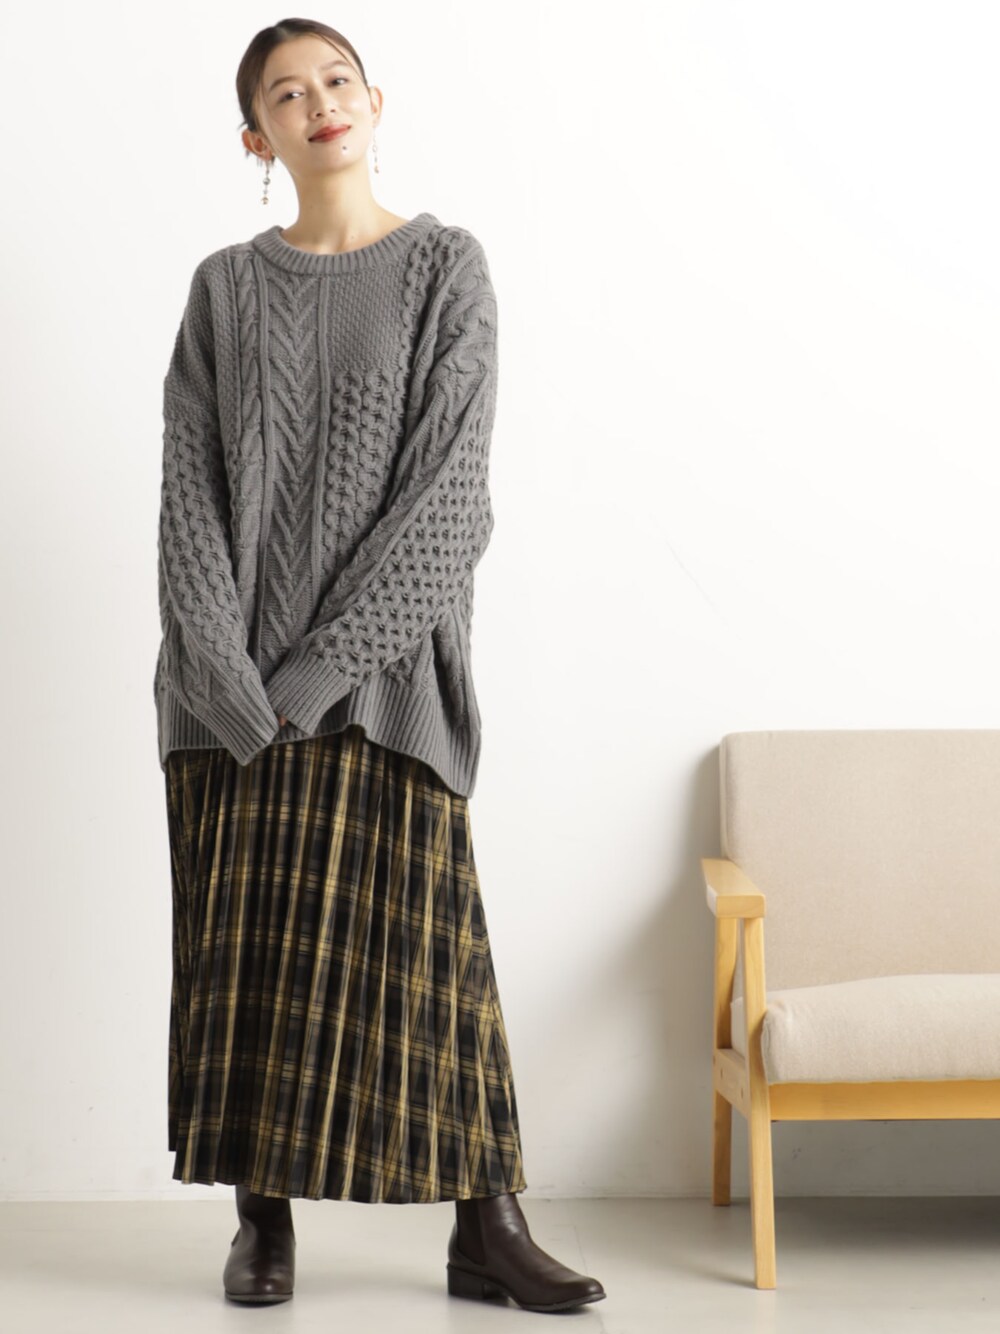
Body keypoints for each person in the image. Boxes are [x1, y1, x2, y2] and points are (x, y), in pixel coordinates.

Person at [155, 17, 606, 1315]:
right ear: (258, 136)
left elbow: (449, 502)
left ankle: (487, 1228)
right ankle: (261, 1223)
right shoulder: (222, 291)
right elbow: (187, 499)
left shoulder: (446, 268)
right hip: (231, 701)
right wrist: (233, 681)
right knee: (246, 962)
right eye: (286, 94)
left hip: (387, 686)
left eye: (336, 80)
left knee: (436, 970)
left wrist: (318, 671)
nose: (319, 103)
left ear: (375, 99)